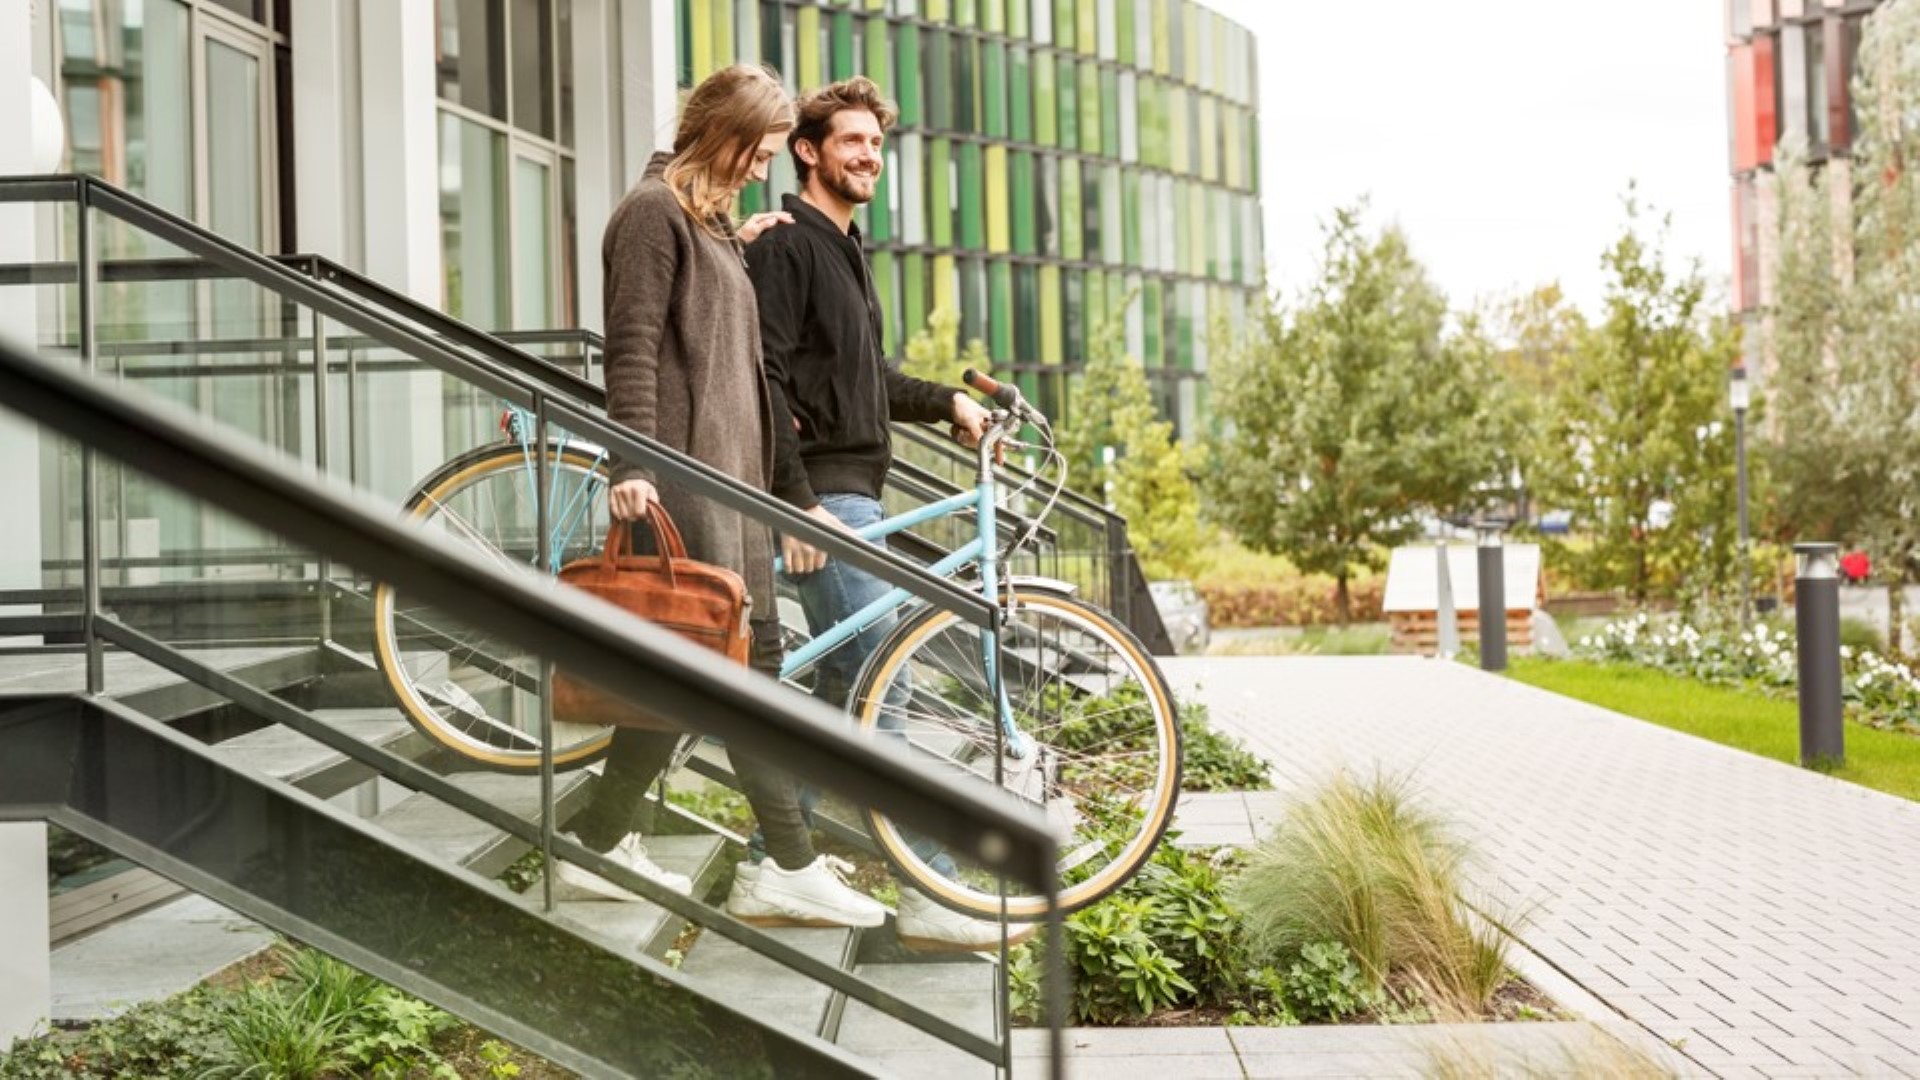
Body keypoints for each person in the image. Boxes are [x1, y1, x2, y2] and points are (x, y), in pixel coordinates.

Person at [554, 63, 886, 932]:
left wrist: (737, 247)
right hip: (684, 480)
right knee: (742, 671)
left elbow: (714, 347)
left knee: (703, 670)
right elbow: (629, 347)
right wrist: (630, 463)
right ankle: (789, 862)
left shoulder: (705, 224)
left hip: (733, 486)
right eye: (758, 153)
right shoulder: (650, 215)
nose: (759, 171)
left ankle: (594, 838)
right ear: (722, 135)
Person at [744, 77, 1027, 952]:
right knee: (888, 678)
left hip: (853, 489)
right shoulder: (788, 246)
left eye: (875, 144)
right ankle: (934, 888)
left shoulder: (847, 250)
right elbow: (763, 378)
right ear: (808, 149)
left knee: (847, 686)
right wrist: (793, 507)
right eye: (852, 142)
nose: (868, 156)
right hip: (825, 498)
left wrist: (949, 400)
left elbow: (860, 383)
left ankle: (772, 864)